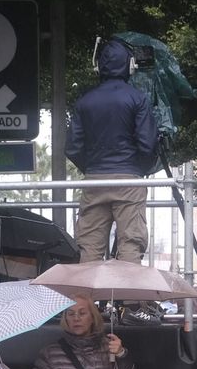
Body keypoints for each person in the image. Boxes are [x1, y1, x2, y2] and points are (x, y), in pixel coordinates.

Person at [68, 38, 159, 264]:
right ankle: (128, 289)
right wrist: (137, 169)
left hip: (94, 181)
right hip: (129, 181)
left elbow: (72, 147)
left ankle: (87, 289)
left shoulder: (84, 102)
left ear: (98, 66)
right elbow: (148, 145)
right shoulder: (138, 99)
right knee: (131, 243)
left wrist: (92, 168)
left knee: (89, 245)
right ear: (130, 65)